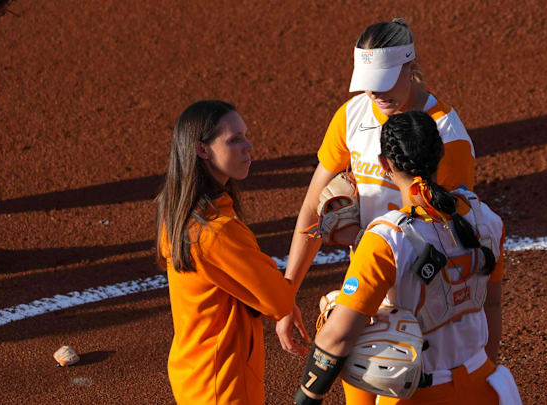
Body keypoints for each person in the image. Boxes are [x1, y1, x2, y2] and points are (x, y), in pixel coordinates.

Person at [277, 17, 477, 355]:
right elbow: (313, 206)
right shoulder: (352, 116)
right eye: (367, 82)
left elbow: (454, 235)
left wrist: (360, 238)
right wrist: (287, 296)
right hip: (367, 285)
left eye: (383, 80)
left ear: (410, 66)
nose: (374, 91)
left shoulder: (447, 137)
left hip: (426, 296)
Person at [293, 111, 510, 405]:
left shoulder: (385, 239)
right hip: (487, 387)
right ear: (441, 153)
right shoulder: (487, 220)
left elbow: (337, 339)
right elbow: (492, 305)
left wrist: (306, 398)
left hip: (419, 396)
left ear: (384, 164)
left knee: (337, 314)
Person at [156, 100, 295, 405]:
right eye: (234, 139)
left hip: (197, 374)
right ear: (202, 150)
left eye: (245, 135)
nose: (249, 146)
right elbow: (280, 299)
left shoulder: (180, 214)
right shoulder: (217, 232)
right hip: (225, 386)